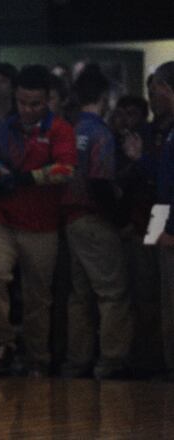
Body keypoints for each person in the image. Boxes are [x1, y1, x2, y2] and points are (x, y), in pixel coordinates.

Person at [0, 65, 77, 377]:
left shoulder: (60, 130)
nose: (28, 109)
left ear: (48, 100)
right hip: (3, 219)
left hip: (43, 226)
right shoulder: (4, 128)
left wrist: (25, 179)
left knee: (38, 297)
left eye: (35, 104)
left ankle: (38, 359)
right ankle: (2, 344)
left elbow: (67, 169)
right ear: (15, 99)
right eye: (23, 103)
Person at [60, 66, 133, 379]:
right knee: (112, 293)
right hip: (95, 218)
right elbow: (101, 184)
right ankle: (111, 361)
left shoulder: (69, 129)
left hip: (70, 219)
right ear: (105, 98)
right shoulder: (100, 133)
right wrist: (120, 221)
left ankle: (78, 360)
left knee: (80, 296)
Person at [151, 61, 174, 381]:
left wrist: (167, 230)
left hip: (169, 224)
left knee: (170, 303)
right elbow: (164, 184)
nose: (152, 100)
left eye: (156, 92)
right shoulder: (169, 130)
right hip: (162, 219)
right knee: (163, 299)